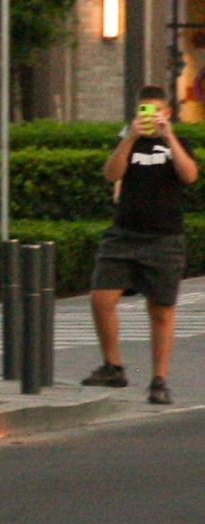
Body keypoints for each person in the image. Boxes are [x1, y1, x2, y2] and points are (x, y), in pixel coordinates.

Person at [82, 84, 197, 403]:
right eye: (144, 111)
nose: (150, 117)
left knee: (161, 310)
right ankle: (113, 365)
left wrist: (169, 137)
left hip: (164, 236)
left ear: (167, 113)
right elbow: (111, 173)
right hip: (124, 234)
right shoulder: (128, 142)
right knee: (101, 298)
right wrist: (130, 138)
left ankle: (159, 380)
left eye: (156, 111)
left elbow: (189, 176)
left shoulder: (178, 142)